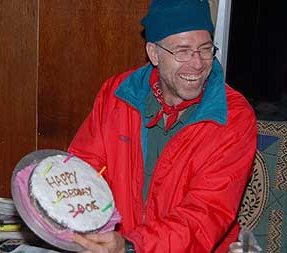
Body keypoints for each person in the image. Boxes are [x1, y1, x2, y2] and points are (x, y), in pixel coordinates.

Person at [68, 0, 257, 252]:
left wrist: (133, 246)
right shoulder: (117, 94)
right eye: (182, 51)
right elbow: (84, 168)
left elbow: (206, 213)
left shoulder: (233, 117)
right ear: (154, 53)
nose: (198, 63)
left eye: (205, 49)